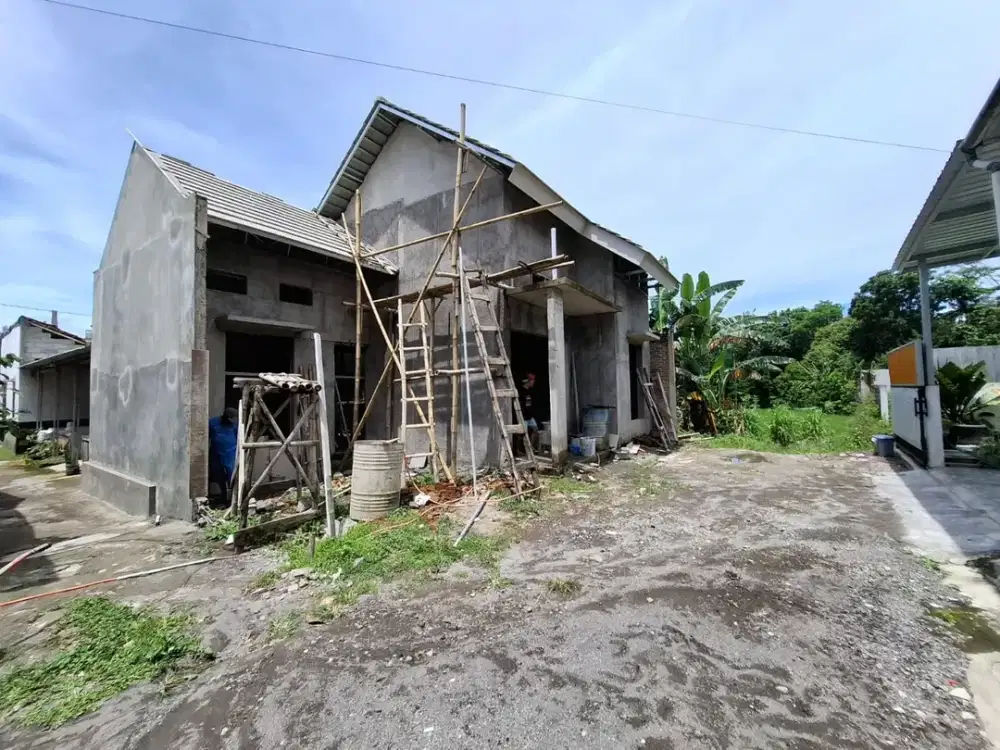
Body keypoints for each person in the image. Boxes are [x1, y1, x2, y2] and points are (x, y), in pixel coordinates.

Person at [208, 407, 239, 507]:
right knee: (218, 477)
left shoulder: (235, 425)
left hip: (230, 455)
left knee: (232, 476)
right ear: (226, 417)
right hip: (216, 454)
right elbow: (206, 436)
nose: (234, 420)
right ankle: (223, 498)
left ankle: (234, 500)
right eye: (232, 418)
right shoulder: (212, 423)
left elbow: (239, 438)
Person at [519, 372, 539, 452]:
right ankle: (521, 450)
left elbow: (530, 404)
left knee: (535, 430)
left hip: (530, 416)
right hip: (523, 416)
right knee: (523, 433)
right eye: (532, 381)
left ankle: (531, 447)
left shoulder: (531, 391)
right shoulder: (521, 391)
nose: (533, 383)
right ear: (528, 381)